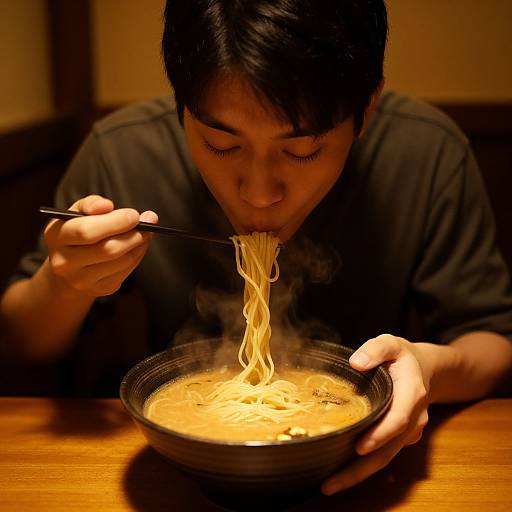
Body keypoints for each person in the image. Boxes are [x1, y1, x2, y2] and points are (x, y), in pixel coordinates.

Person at [1, 0, 511, 495]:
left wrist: (431, 369)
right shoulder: (122, 152)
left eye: (302, 150)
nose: (259, 192)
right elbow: (22, 339)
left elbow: (493, 342)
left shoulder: (427, 153)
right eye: (223, 145)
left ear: (367, 107)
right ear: (180, 103)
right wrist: (63, 283)